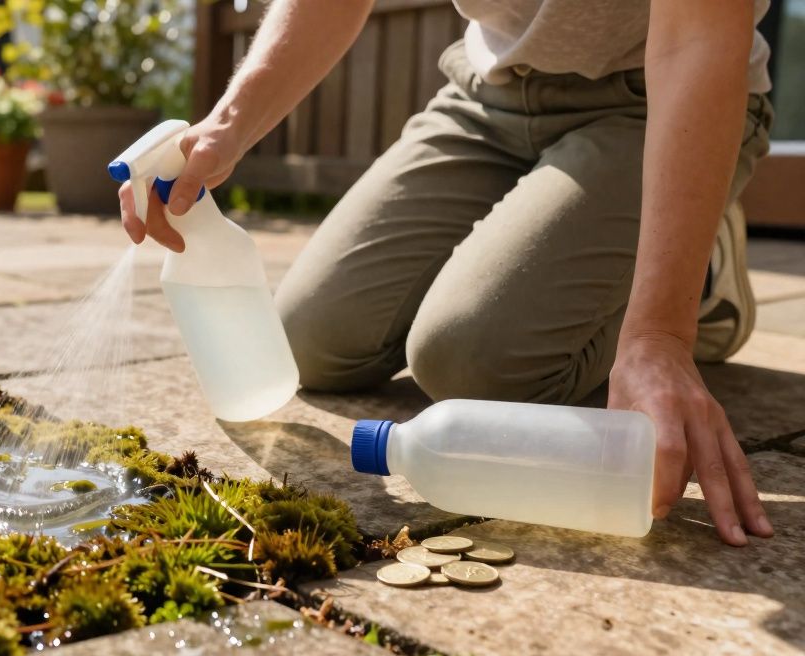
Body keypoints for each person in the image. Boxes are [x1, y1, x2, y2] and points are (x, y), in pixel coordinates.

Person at [119, 0, 775, 546]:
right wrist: (227, 126)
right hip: (486, 95)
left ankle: (694, 263)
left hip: (653, 103)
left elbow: (697, 34)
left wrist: (659, 333)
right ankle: (593, 241)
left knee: (469, 363)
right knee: (314, 339)